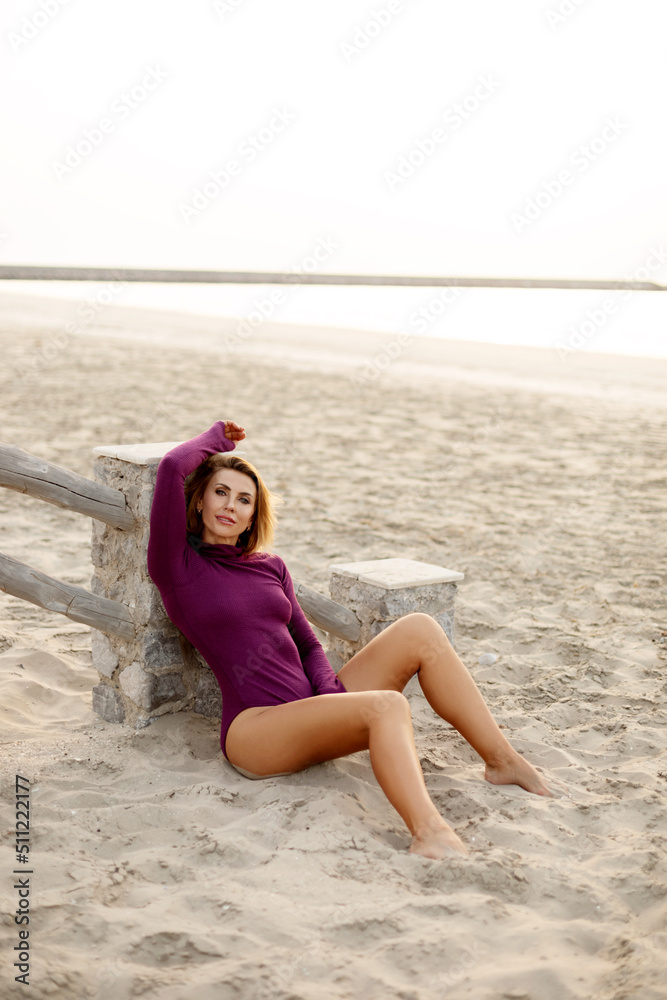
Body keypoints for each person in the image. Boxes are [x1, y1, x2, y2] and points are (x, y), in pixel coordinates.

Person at [147, 419, 551, 860]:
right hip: (256, 731)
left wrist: (329, 693)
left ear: (251, 517)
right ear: (200, 501)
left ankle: (501, 760)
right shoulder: (178, 568)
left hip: (313, 709)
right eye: (221, 492)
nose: (230, 505)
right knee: (388, 705)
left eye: (244, 499)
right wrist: (217, 439)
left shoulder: (270, 567)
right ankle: (429, 832)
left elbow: (308, 644)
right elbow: (172, 467)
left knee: (420, 628)